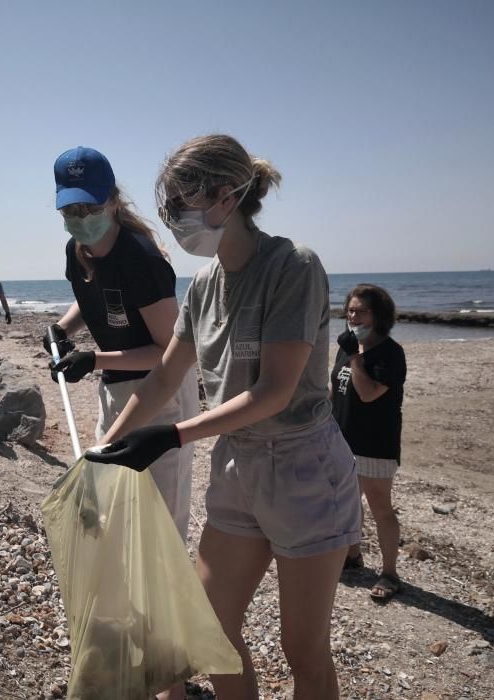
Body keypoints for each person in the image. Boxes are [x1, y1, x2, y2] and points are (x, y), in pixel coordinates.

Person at [86, 135, 361, 700]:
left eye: (179, 205)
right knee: (209, 629)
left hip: (305, 470)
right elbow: (165, 375)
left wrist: (173, 435)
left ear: (225, 195)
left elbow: (276, 391)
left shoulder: (293, 267)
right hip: (238, 466)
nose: (173, 219)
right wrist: (107, 447)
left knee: (303, 650)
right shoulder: (204, 286)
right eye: (167, 208)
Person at [47, 146, 199, 700]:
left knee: (159, 538)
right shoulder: (78, 249)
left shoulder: (140, 257)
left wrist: (97, 359)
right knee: (122, 527)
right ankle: (144, 657)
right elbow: (90, 304)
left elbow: (169, 353)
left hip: (163, 400)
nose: (78, 219)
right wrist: (63, 330)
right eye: (68, 211)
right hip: (117, 394)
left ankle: (172, 685)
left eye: (87, 207)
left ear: (112, 201)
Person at [331, 285, 407, 602]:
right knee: (348, 503)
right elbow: (336, 388)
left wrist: (355, 356)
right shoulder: (348, 348)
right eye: (350, 310)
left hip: (375, 443)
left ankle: (390, 573)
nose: (354, 316)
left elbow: (368, 393)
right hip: (342, 440)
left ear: (378, 315)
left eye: (361, 311)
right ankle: (352, 556)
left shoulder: (390, 353)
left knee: (380, 509)